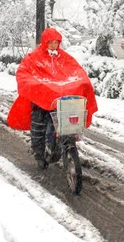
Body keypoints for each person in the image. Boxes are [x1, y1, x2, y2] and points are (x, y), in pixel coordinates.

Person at [6, 27, 98, 170]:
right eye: (50, 43)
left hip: (61, 101)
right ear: (44, 42)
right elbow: (24, 74)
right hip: (41, 100)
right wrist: (37, 87)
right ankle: (39, 154)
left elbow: (77, 72)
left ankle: (65, 143)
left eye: (56, 43)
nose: (54, 46)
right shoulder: (33, 57)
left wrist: (82, 82)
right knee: (38, 125)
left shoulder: (65, 57)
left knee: (70, 122)